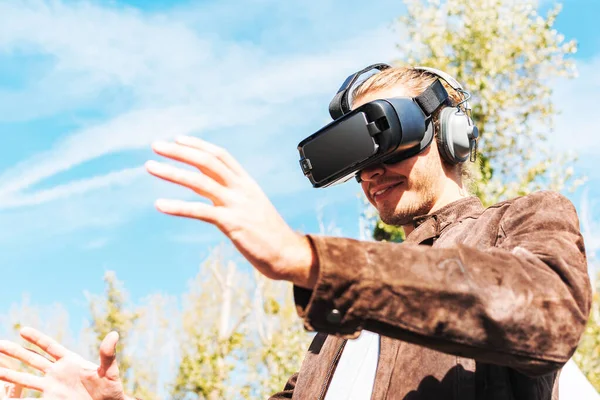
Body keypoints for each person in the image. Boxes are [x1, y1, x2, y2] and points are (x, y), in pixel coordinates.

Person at [0, 65, 592, 400]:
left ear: (451, 133)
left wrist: (308, 261)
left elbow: (547, 313)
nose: (370, 171)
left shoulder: (522, 221)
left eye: (385, 137)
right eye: (354, 159)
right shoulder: (342, 331)